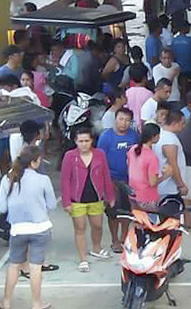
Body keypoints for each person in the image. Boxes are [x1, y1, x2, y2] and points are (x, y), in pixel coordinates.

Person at [0, 146, 55, 309]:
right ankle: (37, 303)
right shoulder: (43, 180)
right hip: (40, 228)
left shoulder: (7, 179)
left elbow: (2, 208)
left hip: (17, 229)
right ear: (35, 161)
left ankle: (6, 301)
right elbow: (52, 205)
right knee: (35, 267)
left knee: (14, 265)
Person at [60, 128, 116, 272]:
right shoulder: (69, 156)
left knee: (97, 225)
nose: (84, 144)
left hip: (96, 198)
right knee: (80, 229)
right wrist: (66, 202)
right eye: (81, 141)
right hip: (77, 199)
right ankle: (83, 259)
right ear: (75, 142)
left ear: (92, 141)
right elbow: (65, 180)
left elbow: (106, 176)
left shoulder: (100, 154)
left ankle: (96, 248)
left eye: (87, 141)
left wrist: (110, 196)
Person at [96, 108, 139, 253]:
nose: (124, 123)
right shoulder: (106, 137)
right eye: (121, 119)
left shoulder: (134, 137)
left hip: (129, 180)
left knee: (127, 211)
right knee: (112, 212)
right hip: (111, 180)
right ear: (115, 119)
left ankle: (125, 237)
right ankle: (115, 240)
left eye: (127, 120)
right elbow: (99, 160)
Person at [127, 123, 171, 207]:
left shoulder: (133, 149)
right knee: (149, 219)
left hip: (133, 193)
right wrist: (166, 176)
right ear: (155, 136)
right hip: (147, 196)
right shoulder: (152, 157)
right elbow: (153, 182)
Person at [153, 111, 188, 199]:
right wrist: (181, 185)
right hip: (168, 187)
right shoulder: (169, 140)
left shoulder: (159, 134)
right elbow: (173, 164)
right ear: (174, 123)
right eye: (182, 123)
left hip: (161, 185)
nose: (184, 126)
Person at [126, 65, 153, 130]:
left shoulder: (127, 93)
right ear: (144, 78)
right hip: (144, 126)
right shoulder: (149, 94)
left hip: (129, 125)